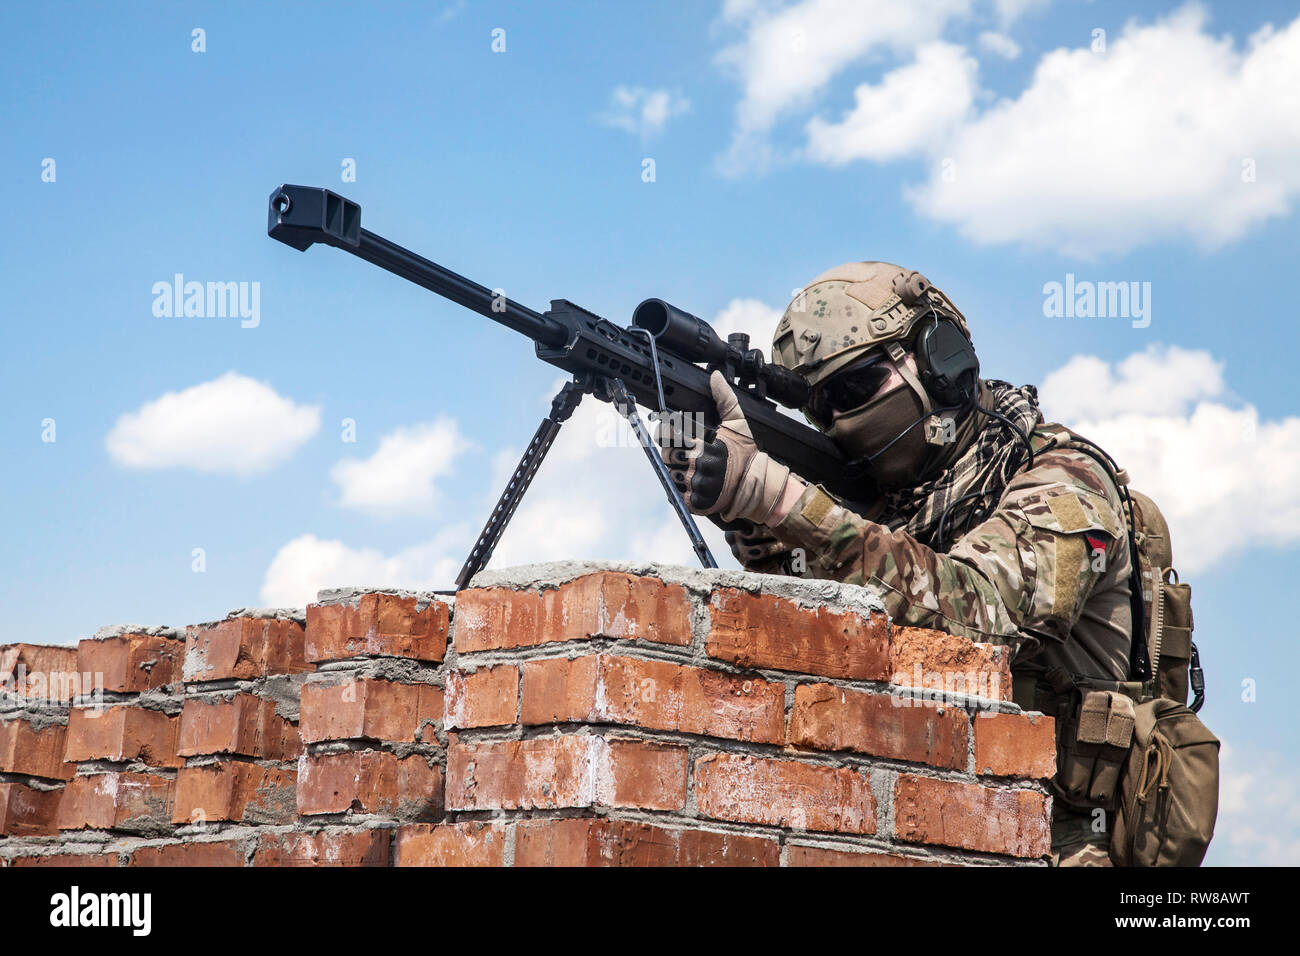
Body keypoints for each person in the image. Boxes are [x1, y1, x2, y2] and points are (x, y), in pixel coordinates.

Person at [658, 261, 1138, 866]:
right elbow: (823, 630)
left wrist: (781, 499)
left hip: (1066, 841)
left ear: (941, 363)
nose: (837, 422)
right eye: (820, 408)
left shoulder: (1067, 481)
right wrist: (747, 515)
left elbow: (981, 614)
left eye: (855, 389)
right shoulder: (891, 509)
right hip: (933, 824)